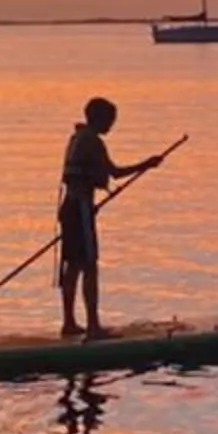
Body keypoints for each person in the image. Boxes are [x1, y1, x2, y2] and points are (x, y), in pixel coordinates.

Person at [57, 96, 162, 338]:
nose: (112, 125)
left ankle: (69, 323)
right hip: (80, 209)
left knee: (72, 266)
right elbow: (114, 173)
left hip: (70, 208)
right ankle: (93, 327)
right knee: (89, 266)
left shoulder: (76, 138)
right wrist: (146, 164)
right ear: (100, 118)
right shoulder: (92, 141)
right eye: (111, 119)